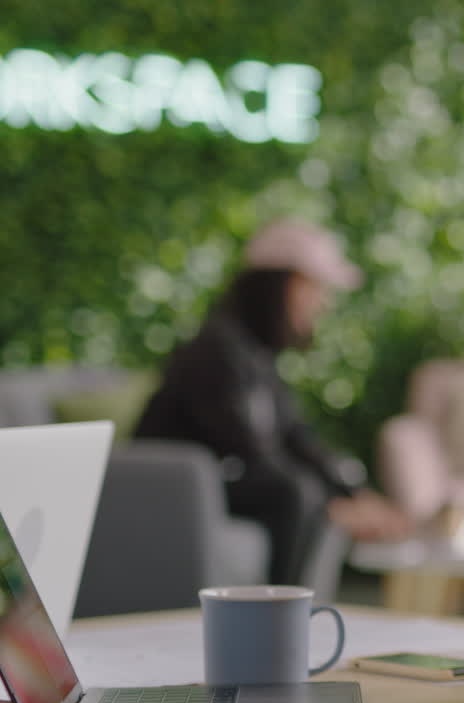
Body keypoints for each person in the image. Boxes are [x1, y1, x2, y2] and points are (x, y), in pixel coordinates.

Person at [135, 219, 410, 585]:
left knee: (299, 490)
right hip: (174, 491)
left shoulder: (254, 356)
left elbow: (296, 436)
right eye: (316, 289)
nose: (323, 304)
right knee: (294, 493)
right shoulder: (216, 352)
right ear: (283, 286)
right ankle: (281, 618)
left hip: (219, 481)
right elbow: (250, 448)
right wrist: (334, 506)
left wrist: (355, 491)